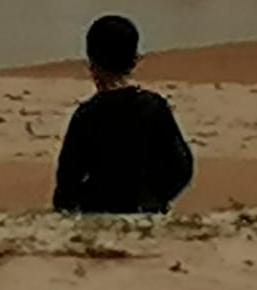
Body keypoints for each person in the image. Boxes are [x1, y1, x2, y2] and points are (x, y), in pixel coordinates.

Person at [52, 13, 193, 214]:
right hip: (146, 209)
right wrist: (157, 197)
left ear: (91, 62)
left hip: (97, 210)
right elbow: (182, 168)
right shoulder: (154, 107)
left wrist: (73, 206)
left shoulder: (87, 115)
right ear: (135, 60)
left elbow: (67, 180)